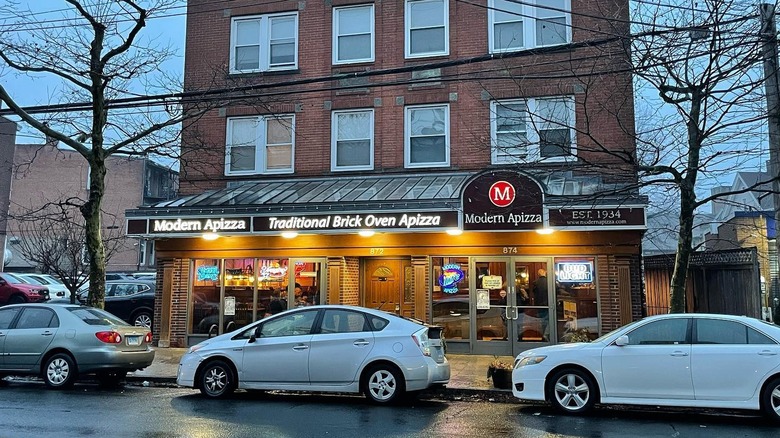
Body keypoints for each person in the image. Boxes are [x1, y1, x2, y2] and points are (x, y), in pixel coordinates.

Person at [531, 268, 550, 341]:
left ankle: (544, 335)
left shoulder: (535, 282)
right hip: (549, 304)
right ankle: (546, 334)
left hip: (539, 304)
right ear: (545, 273)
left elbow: (534, 292)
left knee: (543, 321)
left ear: (538, 274)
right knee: (549, 320)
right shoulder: (549, 281)